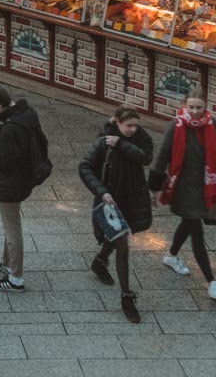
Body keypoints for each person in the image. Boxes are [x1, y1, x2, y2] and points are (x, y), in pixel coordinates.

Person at [150, 88, 216, 301]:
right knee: (196, 231)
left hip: (205, 185)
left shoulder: (213, 125)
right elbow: (162, 157)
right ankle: (210, 281)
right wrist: (155, 186)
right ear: (185, 105)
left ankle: (171, 256)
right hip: (183, 187)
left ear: (206, 107)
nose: (195, 112)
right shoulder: (175, 126)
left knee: (188, 224)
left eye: (199, 107)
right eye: (191, 107)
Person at [78, 105, 154, 324]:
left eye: (135, 125)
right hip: (111, 202)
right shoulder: (103, 143)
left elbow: (146, 157)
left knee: (117, 238)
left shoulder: (138, 138)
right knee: (122, 245)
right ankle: (126, 296)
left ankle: (100, 261)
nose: (133, 129)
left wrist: (122, 144)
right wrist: (101, 192)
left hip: (132, 200)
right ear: (117, 123)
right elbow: (84, 167)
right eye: (128, 125)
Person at [0, 85, 46, 291]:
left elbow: (2, 159)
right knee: (11, 225)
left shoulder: (10, 127)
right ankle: (7, 263)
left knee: (12, 228)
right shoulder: (26, 113)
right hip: (24, 177)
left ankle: (16, 277)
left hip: (10, 183)